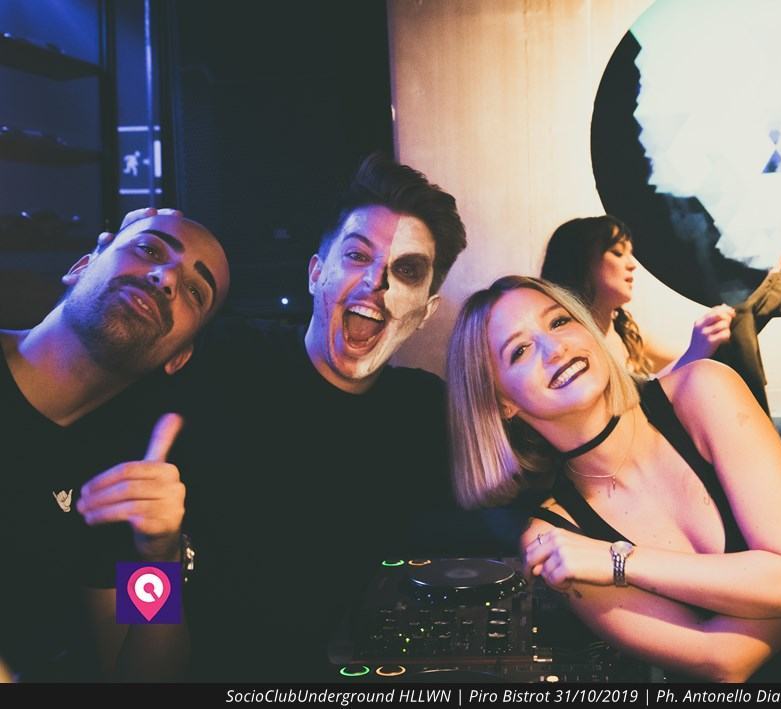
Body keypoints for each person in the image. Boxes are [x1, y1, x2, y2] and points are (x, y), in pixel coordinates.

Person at [174, 154, 490, 681]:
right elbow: (129, 560)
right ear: (316, 273)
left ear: (425, 310)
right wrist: (144, 642)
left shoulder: (427, 413)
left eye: (407, 271)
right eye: (357, 255)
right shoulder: (222, 363)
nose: (377, 283)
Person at [446, 275, 781, 681]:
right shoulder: (554, 535)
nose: (555, 349)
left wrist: (617, 562)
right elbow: (721, 662)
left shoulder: (703, 389)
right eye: (519, 350)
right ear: (503, 402)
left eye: (558, 322)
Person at [0, 209, 230, 681]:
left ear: (179, 356)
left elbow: (141, 676)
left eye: (195, 292)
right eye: (149, 249)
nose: (167, 277)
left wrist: (159, 558)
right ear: (83, 266)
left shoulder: (120, 474)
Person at [541, 216, 781, 412]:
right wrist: (695, 351)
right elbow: (627, 409)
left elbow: (708, 359)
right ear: (581, 263)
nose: (632, 264)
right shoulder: (570, 344)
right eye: (618, 253)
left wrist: (770, 289)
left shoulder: (624, 332)